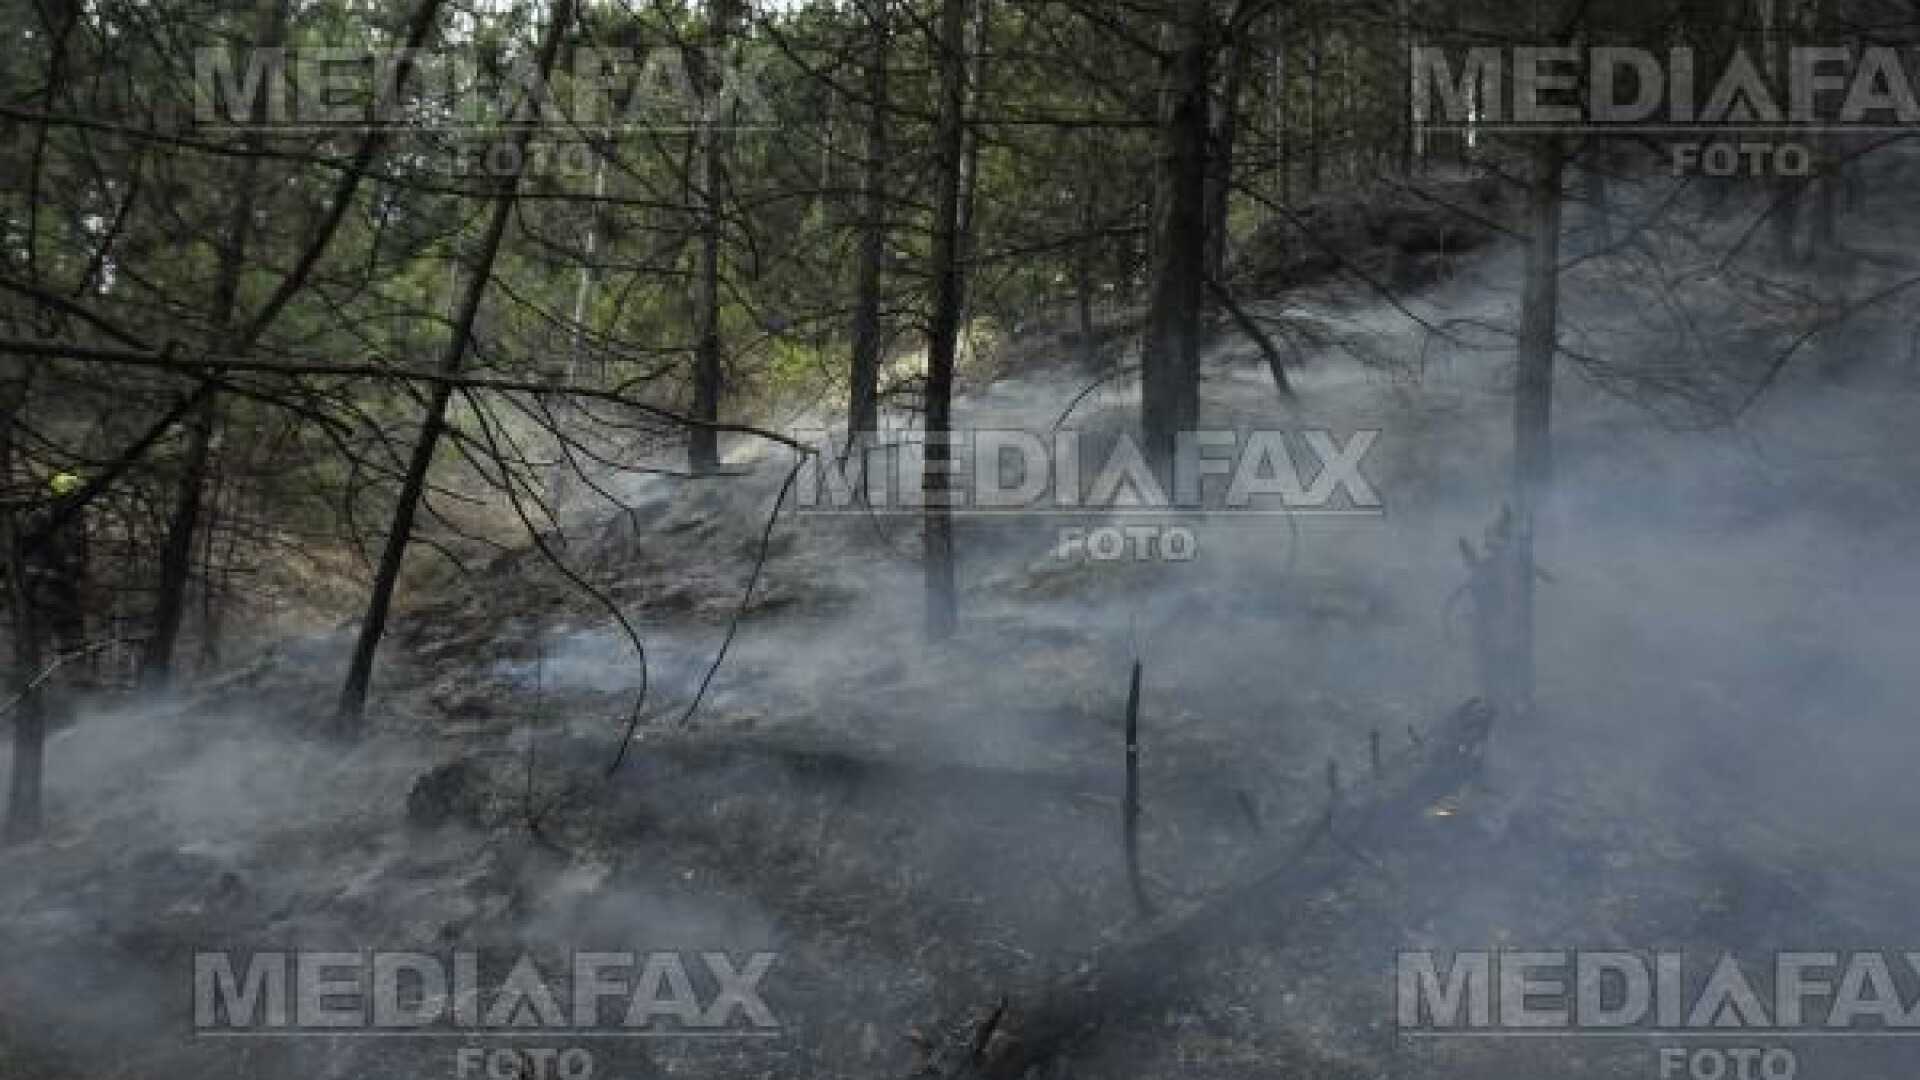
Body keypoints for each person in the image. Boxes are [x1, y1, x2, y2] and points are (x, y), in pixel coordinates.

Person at [19, 472, 90, 657]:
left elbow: (80, 546)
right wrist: (44, 571)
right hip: (44, 576)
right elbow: (30, 549)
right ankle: (57, 645)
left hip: (66, 575)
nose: (75, 495)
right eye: (71, 492)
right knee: (51, 604)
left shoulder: (76, 516)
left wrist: (78, 569)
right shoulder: (39, 517)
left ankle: (74, 644)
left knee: (71, 606)